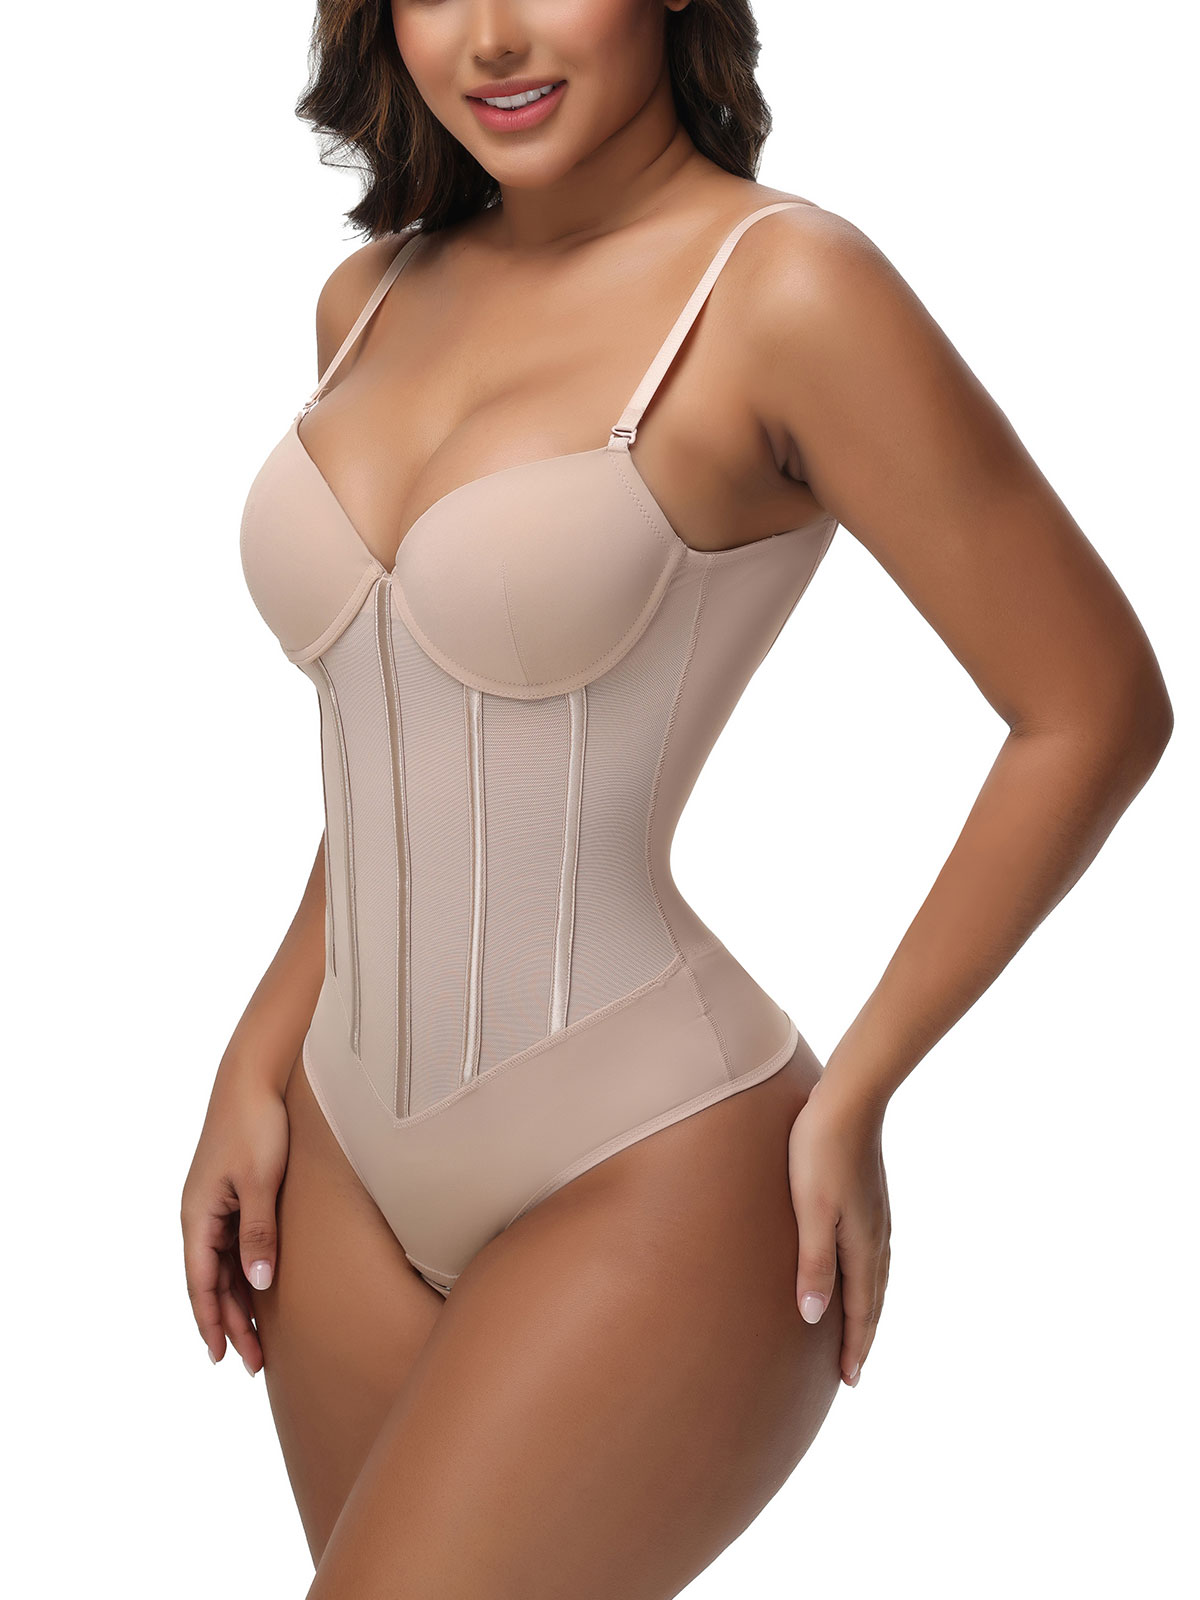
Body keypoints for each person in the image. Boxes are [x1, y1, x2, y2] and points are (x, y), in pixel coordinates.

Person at [181, 2, 1173, 1594]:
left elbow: (1093, 706)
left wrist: (861, 1088)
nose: (493, 39)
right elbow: (396, 732)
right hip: (335, 1161)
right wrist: (253, 1052)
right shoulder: (368, 301)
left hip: (645, 1161)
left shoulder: (783, 291)